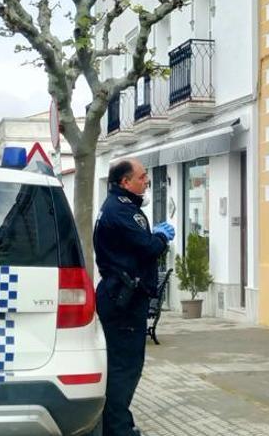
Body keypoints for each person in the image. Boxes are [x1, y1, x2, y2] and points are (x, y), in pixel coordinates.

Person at [94, 158, 175, 436]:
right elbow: (147, 247)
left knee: (122, 364)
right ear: (125, 182)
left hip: (121, 295)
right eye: (142, 177)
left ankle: (116, 422)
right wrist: (162, 238)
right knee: (125, 367)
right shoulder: (122, 211)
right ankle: (117, 428)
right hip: (123, 299)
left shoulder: (117, 207)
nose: (146, 182)